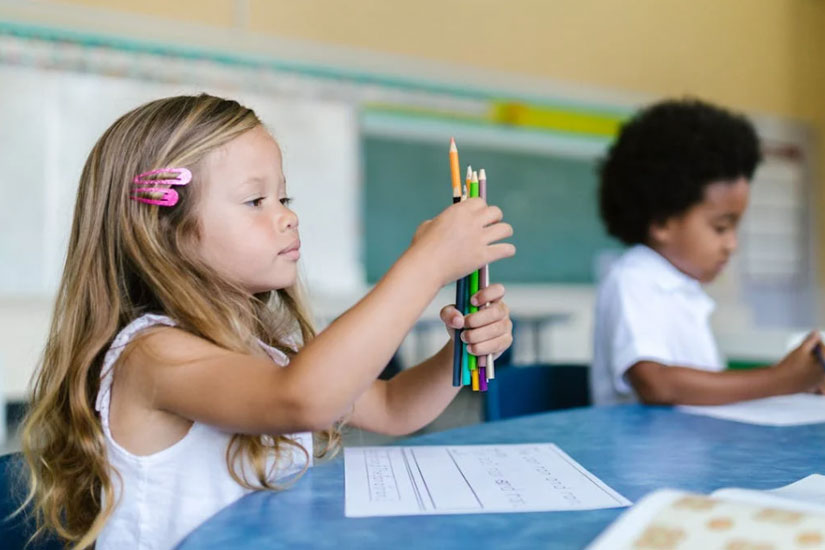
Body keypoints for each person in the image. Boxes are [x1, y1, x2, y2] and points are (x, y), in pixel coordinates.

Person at [19, 94, 515, 549]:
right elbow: (306, 399)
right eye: (256, 201)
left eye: (285, 199)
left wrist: (461, 349)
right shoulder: (151, 356)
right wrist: (426, 264)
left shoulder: (265, 352)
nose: (287, 217)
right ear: (162, 229)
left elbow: (392, 408)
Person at [591, 98, 824, 406]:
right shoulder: (634, 278)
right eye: (721, 227)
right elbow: (656, 384)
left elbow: (700, 387)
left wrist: (797, 384)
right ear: (662, 221)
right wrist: (780, 380)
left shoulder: (685, 290)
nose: (732, 245)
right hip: (639, 440)